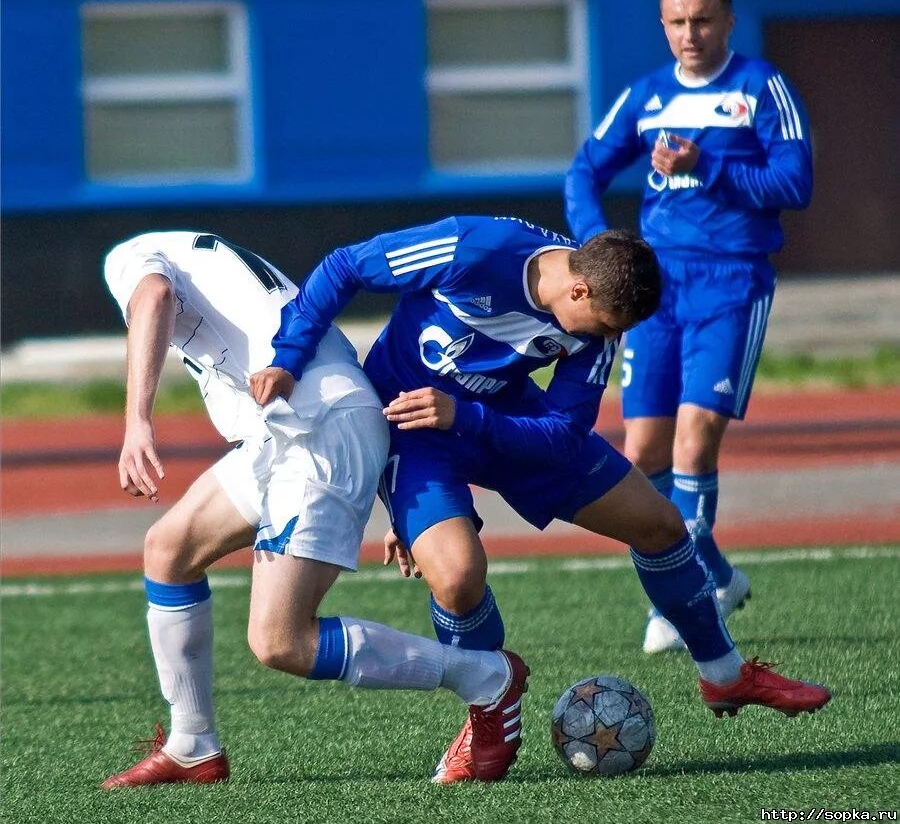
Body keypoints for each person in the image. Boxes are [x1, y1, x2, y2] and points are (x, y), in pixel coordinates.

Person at [249, 214, 831, 785]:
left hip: (503, 419)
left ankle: (725, 675)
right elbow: (346, 265)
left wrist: (469, 417)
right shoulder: (473, 248)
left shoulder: (597, 313)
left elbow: (564, 432)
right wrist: (288, 356)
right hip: (413, 426)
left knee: (660, 524)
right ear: (578, 288)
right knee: (455, 577)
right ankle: (485, 715)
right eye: (604, 325)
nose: (607, 338)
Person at [100, 231, 531, 788]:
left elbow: (153, 295)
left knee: (280, 641)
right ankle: (192, 746)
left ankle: (487, 676)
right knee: (168, 550)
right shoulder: (201, 257)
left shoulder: (129, 258)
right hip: (287, 431)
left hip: (317, 431)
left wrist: (136, 421)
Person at [565, 0, 813, 653]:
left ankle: (685, 600)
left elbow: (796, 183)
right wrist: (596, 245)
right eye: (676, 22)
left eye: (701, 20)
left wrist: (708, 168)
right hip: (654, 287)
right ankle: (718, 576)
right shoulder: (648, 96)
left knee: (695, 438)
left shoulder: (760, 88)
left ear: (727, 22)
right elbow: (583, 170)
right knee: (643, 449)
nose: (689, 35)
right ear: (663, 26)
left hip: (731, 281)